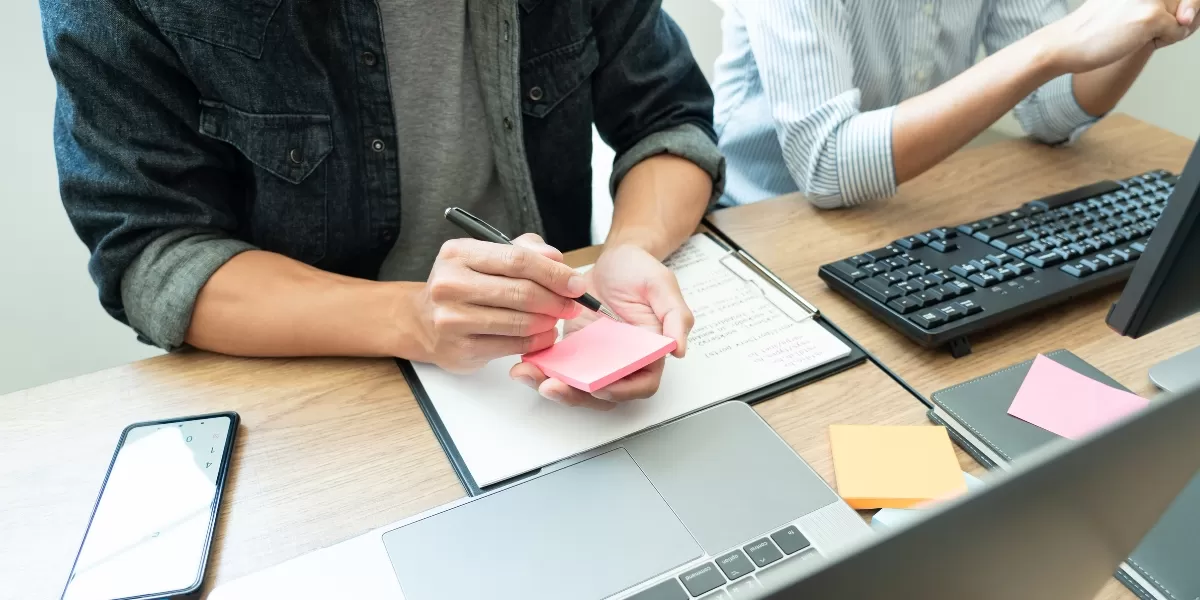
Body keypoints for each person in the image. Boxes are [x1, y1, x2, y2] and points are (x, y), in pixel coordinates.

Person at [41, 0, 724, 412]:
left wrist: (628, 249)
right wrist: (411, 318)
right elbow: (156, 253)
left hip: (542, 375)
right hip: (316, 403)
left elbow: (668, 118)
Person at [714, 0, 1199, 208]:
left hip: (909, 205)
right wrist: (1049, 47)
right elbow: (827, 164)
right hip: (763, 224)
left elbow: (1049, 110)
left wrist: (1147, 25)